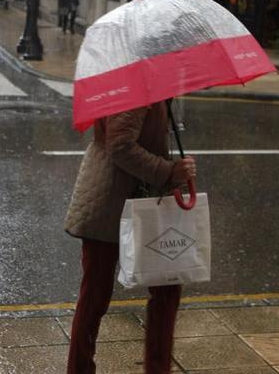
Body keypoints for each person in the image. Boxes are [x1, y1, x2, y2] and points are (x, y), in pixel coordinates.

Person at [64, 103, 197, 374]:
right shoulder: (136, 91)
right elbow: (121, 145)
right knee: (96, 294)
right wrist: (169, 171)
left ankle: (157, 368)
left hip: (141, 199)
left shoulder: (157, 89)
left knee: (166, 287)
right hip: (110, 201)